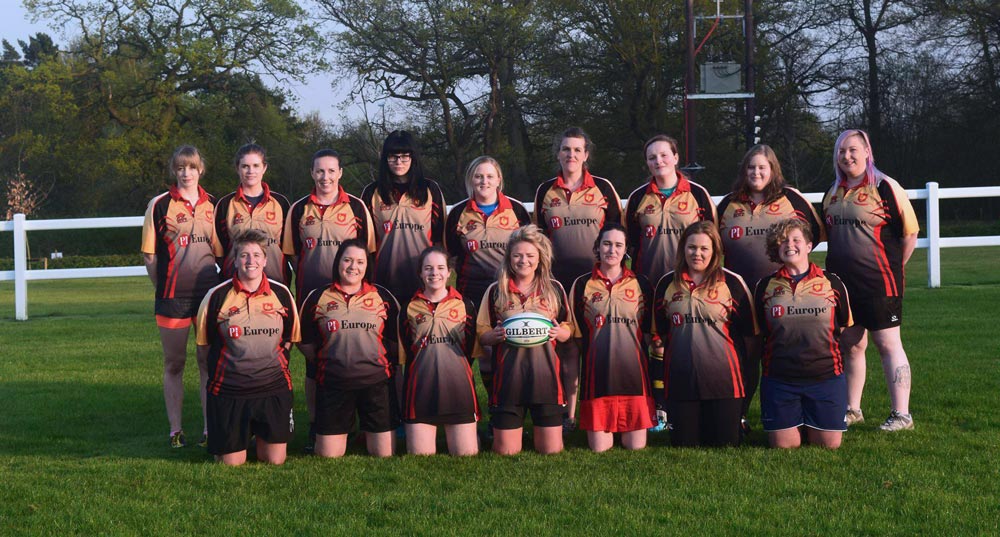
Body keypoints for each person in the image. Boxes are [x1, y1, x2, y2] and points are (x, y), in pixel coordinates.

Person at [716, 144, 823, 430]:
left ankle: (788, 415)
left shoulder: (792, 200)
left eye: (762, 167)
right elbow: (712, 245)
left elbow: (815, 236)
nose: (756, 172)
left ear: (773, 170)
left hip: (782, 293)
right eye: (751, 167)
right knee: (745, 357)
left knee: (784, 353)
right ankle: (739, 415)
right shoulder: (728, 204)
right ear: (744, 171)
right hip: (739, 297)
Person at [822, 129, 919, 432]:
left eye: (853, 150)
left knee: (888, 343)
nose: (847, 156)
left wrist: (891, 268)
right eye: (841, 151)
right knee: (850, 345)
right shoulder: (833, 192)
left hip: (880, 285)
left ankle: (902, 415)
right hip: (843, 287)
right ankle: (852, 409)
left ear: (867, 151)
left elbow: (910, 234)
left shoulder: (885, 186)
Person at [282, 148, 375, 451]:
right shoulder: (298, 209)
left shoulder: (358, 208)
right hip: (313, 298)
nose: (325, 177)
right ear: (312, 173)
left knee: (356, 359)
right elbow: (293, 254)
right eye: (319, 171)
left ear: (340, 173)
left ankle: (361, 425)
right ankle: (316, 425)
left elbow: (368, 254)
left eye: (331, 171)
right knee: (314, 364)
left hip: (354, 299)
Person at [533, 127, 621, 432]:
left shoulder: (603, 188)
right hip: (558, 284)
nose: (571, 155)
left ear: (586, 155)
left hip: (596, 283)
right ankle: (568, 416)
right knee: (567, 348)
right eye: (566, 149)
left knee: (600, 347)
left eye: (577, 150)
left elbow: (619, 237)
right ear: (558, 153)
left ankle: (601, 412)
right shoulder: (545, 191)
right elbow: (538, 241)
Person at [195, 229, 300, 465]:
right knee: (231, 464)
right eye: (244, 255)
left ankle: (255, 434)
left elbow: (289, 340)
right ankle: (234, 438)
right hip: (230, 391)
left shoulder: (281, 294)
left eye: (256, 255)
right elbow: (204, 350)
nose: (250, 261)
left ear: (265, 259)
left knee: (275, 460)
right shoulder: (216, 296)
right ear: (234, 259)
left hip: (271, 388)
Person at [141, 145, 223, 449]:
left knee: (207, 361)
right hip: (172, 298)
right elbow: (150, 256)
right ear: (174, 171)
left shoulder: (214, 204)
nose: (186, 173)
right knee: (174, 362)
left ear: (200, 169)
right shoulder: (160, 205)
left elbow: (222, 252)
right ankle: (175, 430)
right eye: (180, 168)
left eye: (191, 167)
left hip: (207, 298)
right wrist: (162, 288)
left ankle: (207, 428)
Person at [651, 221, 758, 447]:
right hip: (681, 382)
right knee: (685, 444)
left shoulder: (732, 283)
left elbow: (750, 339)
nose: (696, 254)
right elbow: (659, 334)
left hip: (725, 383)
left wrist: (745, 397)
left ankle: (737, 419)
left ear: (715, 251)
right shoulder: (666, 284)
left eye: (704, 248)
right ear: (683, 249)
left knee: (725, 443)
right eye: (691, 247)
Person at [297, 239, 401, 457]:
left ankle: (370, 428)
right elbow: (306, 344)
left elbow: (394, 344)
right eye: (348, 260)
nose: (353, 267)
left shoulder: (383, 297)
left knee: (384, 453)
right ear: (338, 263)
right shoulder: (318, 297)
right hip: (334, 384)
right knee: (328, 455)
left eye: (360, 262)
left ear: (367, 266)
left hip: (375, 385)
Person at [754, 219, 852, 449]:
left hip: (825, 377)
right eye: (783, 241)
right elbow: (759, 332)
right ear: (776, 248)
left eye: (796, 239)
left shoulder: (832, 283)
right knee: (784, 447)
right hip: (780, 380)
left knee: (829, 446)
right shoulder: (765, 286)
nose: (790, 244)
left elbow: (844, 326)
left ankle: (813, 419)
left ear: (809, 246)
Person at [476, 224, 573, 455]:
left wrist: (560, 333)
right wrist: (494, 336)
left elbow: (568, 328)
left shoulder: (554, 289)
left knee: (551, 450)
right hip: (509, 379)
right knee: (506, 451)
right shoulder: (495, 291)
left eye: (530, 255)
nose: (524, 260)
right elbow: (482, 334)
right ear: (509, 258)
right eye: (517, 255)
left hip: (546, 378)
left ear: (540, 259)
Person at [445, 156, 531, 407]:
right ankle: (465, 409)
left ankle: (504, 407)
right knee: (477, 350)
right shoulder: (459, 213)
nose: (484, 181)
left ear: (499, 180)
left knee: (505, 348)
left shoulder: (516, 210)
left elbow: (530, 251)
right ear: (471, 179)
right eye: (478, 176)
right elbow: (450, 256)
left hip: (507, 292)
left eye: (489, 176)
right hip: (470, 292)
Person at [568, 223, 656, 452]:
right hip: (597, 380)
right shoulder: (581, 284)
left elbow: (648, 334)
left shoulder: (642, 284)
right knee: (600, 448)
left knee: (635, 446)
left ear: (626, 250)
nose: (612, 250)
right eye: (607, 244)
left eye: (618, 245)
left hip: (634, 380)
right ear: (598, 247)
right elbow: (577, 337)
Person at [399, 247, 479, 456]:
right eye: (428, 268)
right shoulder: (408, 307)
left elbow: (470, 350)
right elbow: (405, 352)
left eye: (440, 267)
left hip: (458, 388)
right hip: (420, 390)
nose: (434, 273)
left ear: (449, 272)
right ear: (420, 273)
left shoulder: (465, 305)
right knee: (420, 455)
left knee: (466, 454)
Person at [361, 130, 446, 305]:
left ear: (413, 158)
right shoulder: (372, 192)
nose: (399, 162)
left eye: (405, 156)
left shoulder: (430, 190)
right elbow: (364, 244)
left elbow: (439, 240)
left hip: (423, 285)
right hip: (382, 285)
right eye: (393, 156)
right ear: (385, 159)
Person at [624, 134, 716, 287]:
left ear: (675, 158)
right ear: (647, 162)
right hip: (647, 283)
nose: (658, 161)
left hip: (690, 284)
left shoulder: (698, 194)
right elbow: (631, 242)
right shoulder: (637, 197)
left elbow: (713, 240)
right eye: (652, 157)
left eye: (663, 155)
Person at [215, 143, 292, 286]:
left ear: (264, 168)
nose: (251, 171)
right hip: (235, 286)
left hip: (275, 282)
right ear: (237, 168)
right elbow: (220, 251)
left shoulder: (281, 203)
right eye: (245, 166)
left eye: (256, 166)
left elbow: (290, 250)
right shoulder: (225, 204)